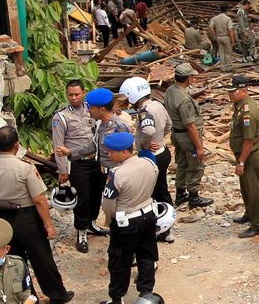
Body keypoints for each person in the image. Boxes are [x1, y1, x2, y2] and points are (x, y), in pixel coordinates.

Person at [0, 127, 73, 304]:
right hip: (26, 218)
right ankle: (57, 296)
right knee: (41, 258)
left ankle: (28, 300)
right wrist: (49, 225)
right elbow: (39, 200)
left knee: (14, 262)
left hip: (1, 217)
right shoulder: (25, 167)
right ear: (16, 144)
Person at [98, 132, 159, 304]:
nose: (109, 155)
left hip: (127, 221)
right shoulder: (149, 163)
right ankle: (146, 292)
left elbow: (108, 204)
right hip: (148, 215)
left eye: (112, 152)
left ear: (124, 152)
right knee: (147, 256)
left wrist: (109, 222)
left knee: (119, 260)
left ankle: (117, 300)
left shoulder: (117, 174)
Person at [51, 79, 99, 253]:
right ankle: (81, 231)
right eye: (70, 95)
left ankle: (92, 223)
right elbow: (58, 145)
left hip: (96, 160)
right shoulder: (61, 116)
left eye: (77, 94)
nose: (73, 98)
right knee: (82, 198)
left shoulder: (92, 110)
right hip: (78, 163)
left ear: (83, 93)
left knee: (96, 194)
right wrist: (63, 170)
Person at [164, 62, 213, 208]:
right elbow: (190, 125)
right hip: (187, 137)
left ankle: (180, 193)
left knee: (182, 164)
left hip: (177, 135)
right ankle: (194, 196)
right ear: (188, 78)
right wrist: (199, 147)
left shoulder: (170, 91)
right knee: (195, 166)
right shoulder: (184, 99)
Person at [86, 87, 132, 241]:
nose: (89, 110)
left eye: (91, 107)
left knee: (120, 208)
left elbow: (127, 154)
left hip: (117, 174)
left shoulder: (119, 126)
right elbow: (95, 146)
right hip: (105, 172)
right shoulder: (101, 124)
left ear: (102, 108)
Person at [122, 76, 174, 208]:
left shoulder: (144, 112)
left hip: (152, 155)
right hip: (163, 152)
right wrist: (160, 138)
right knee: (161, 185)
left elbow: (148, 130)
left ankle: (164, 214)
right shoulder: (157, 104)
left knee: (156, 190)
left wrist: (146, 145)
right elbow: (169, 124)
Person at [228, 75, 259, 238]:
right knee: (246, 188)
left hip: (249, 156)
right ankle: (249, 214)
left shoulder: (247, 111)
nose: (230, 95)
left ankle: (258, 224)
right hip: (244, 155)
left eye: (233, 92)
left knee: (254, 190)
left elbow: (248, 141)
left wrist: (241, 162)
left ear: (243, 91)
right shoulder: (239, 106)